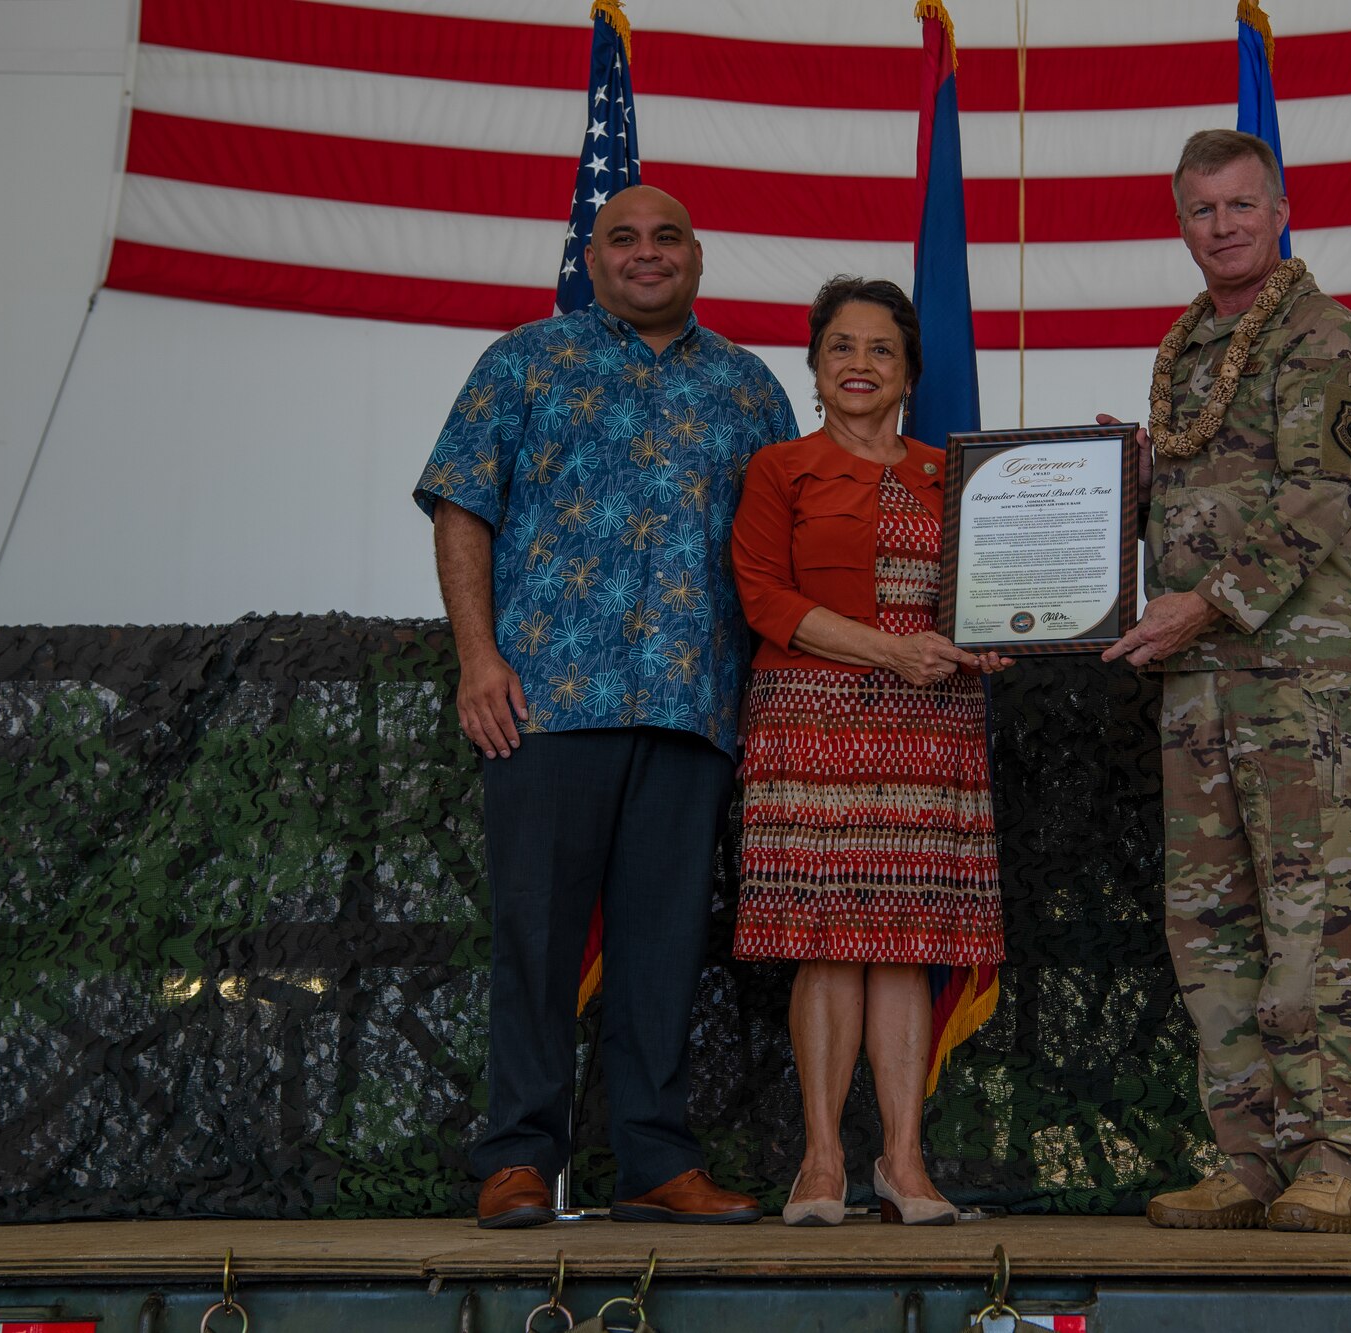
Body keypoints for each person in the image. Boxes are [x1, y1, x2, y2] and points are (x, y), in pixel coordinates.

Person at [413, 186, 798, 1228]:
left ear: (699, 257)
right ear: (592, 259)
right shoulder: (524, 360)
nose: (645, 252)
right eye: (622, 237)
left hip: (693, 708)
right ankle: (517, 1158)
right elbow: (462, 506)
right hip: (543, 704)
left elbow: (778, 562)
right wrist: (477, 658)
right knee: (535, 938)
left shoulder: (750, 390)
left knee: (664, 946)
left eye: (665, 236)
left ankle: (654, 1162)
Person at [1102, 129, 1351, 1234]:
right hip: (1197, 679)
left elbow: (1324, 502)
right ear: (1180, 224)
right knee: (1207, 918)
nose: (1220, 226)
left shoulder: (1325, 339)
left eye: (1238, 205)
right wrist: (1126, 484)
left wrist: (1204, 600)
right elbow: (1204, 494)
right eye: (1199, 211)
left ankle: (1337, 1156)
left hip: (1300, 678)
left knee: (1315, 914)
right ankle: (1249, 1154)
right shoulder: (1183, 350)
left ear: (1278, 210)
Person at [729, 276, 1011, 1228]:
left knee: (906, 944)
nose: (860, 363)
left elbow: (994, 591)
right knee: (823, 944)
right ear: (814, 367)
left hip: (930, 729)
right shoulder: (779, 469)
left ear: (909, 373)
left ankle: (902, 1159)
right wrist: (893, 650)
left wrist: (1014, 625)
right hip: (811, 721)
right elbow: (763, 598)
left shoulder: (959, 473)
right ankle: (820, 1162)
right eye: (842, 346)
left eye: (881, 349)